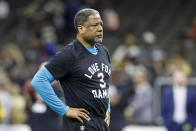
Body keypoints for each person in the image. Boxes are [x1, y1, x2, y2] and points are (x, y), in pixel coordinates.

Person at [31, 8, 111, 131]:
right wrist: (64, 110)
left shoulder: (103, 51)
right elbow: (39, 80)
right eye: (95, 25)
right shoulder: (69, 54)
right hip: (81, 124)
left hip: (101, 123)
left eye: (101, 24)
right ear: (81, 28)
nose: (100, 29)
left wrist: (107, 108)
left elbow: (103, 85)